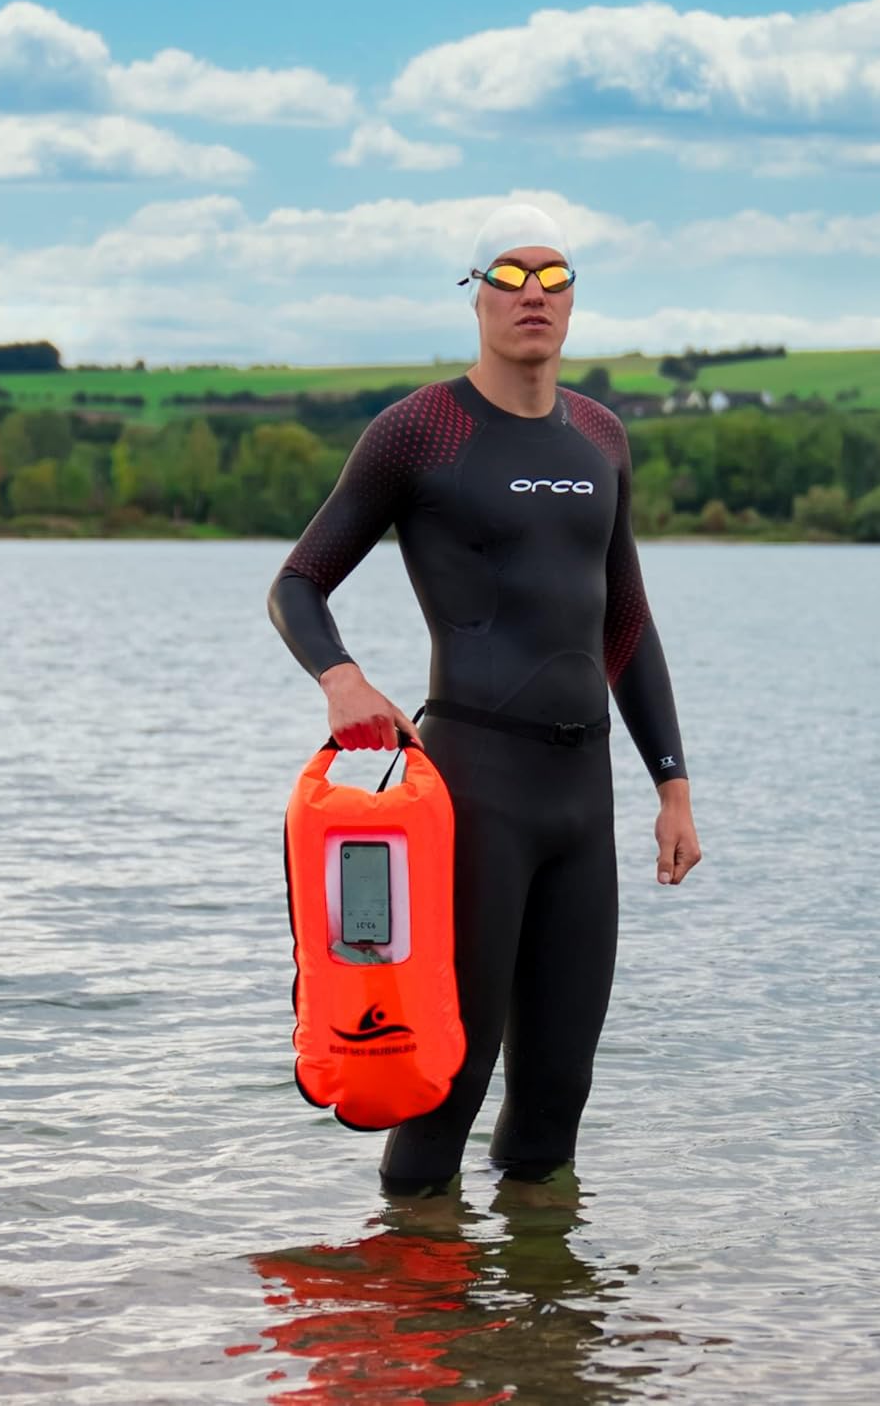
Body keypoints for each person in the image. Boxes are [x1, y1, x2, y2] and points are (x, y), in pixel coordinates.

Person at [268, 202, 702, 1195]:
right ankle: (413, 1279)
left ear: (574, 298)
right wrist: (341, 677)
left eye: (554, 276)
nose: (532, 294)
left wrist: (672, 787)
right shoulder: (420, 431)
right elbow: (297, 583)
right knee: (445, 1082)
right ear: (475, 296)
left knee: (558, 1094)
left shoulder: (600, 435)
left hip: (582, 796)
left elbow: (626, 621)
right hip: (474, 791)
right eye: (509, 275)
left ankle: (541, 1292)